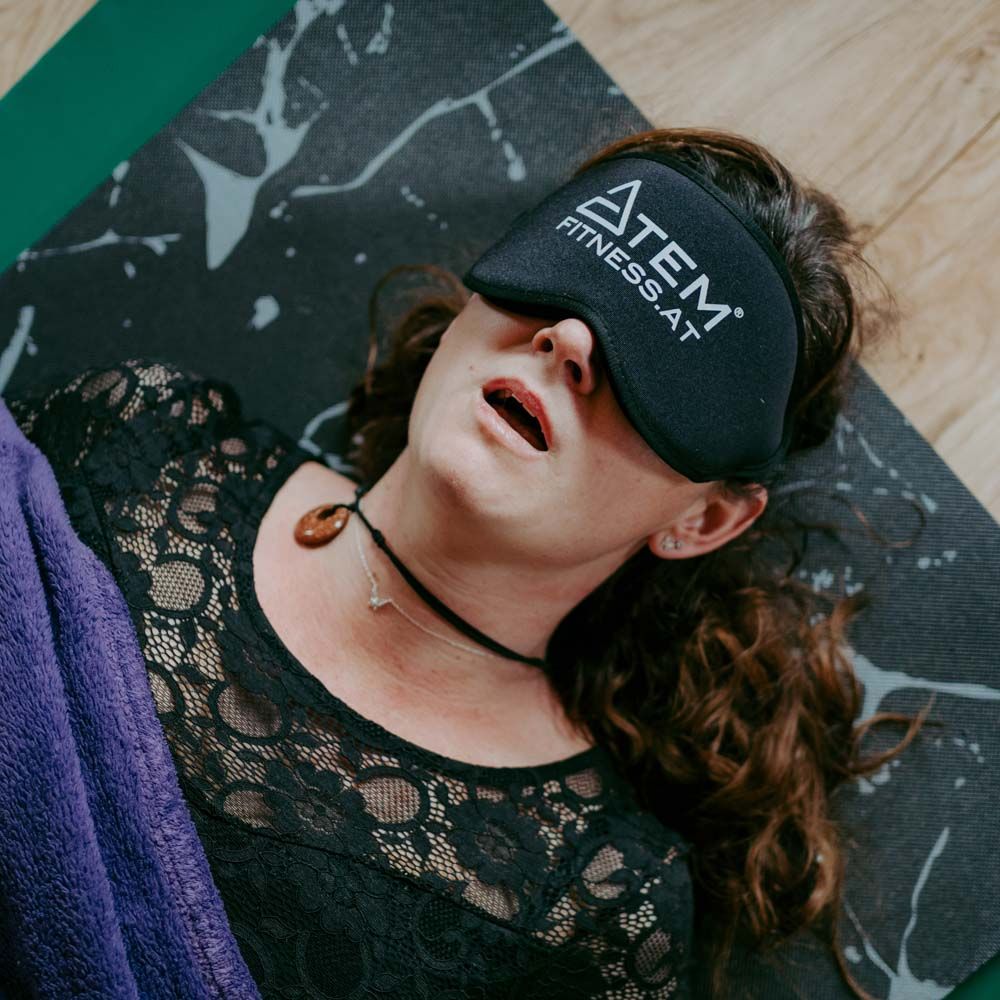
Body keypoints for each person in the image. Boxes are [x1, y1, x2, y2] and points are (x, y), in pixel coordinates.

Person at [3, 126, 937, 1000]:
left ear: (703, 519)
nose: (571, 339)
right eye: (567, 274)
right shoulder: (145, 439)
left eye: (665, 363)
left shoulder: (595, 906)